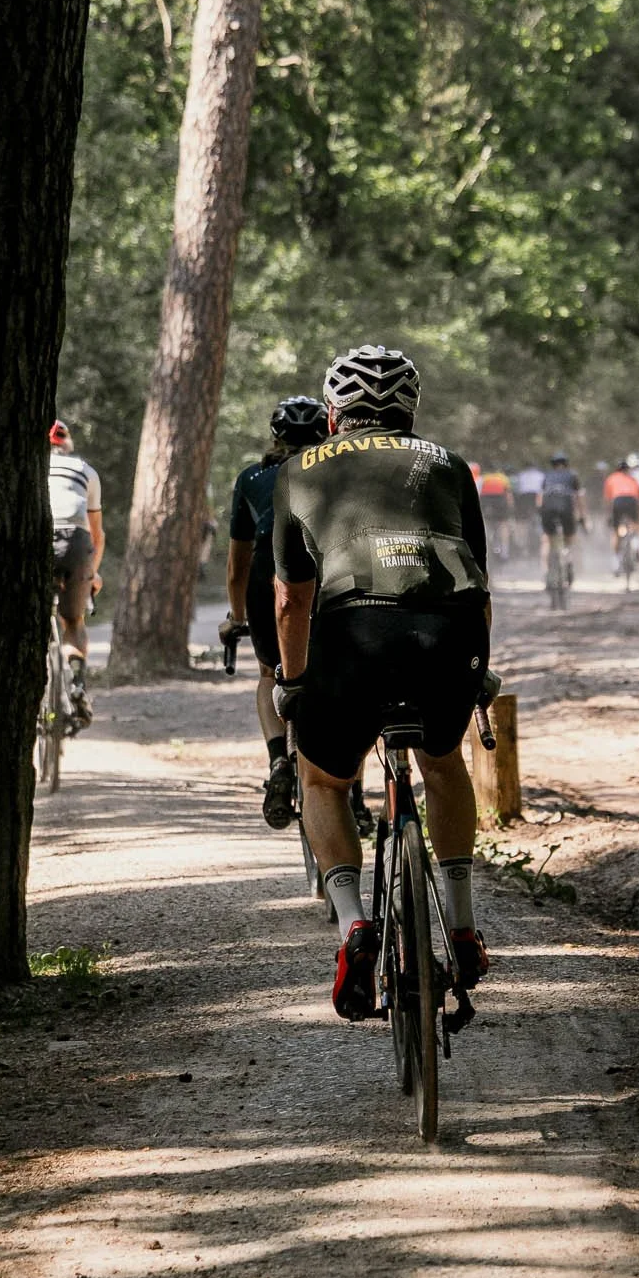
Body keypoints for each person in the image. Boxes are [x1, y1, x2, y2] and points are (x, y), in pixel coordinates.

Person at [273, 346, 496, 1018]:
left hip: (353, 635)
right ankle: (459, 922)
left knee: (323, 781)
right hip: (446, 632)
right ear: (409, 410)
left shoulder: (296, 470)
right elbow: (479, 586)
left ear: (335, 413)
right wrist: (479, 670)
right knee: (444, 762)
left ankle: (352, 925)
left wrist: (294, 680)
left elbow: (291, 599)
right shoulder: (449, 464)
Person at [222, 396, 331, 829]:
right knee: (330, 673)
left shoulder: (252, 477)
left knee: (271, 674)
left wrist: (236, 617)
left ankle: (277, 764)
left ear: (275, 435)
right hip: (326, 572)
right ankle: (354, 794)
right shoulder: (334, 470)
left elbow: (236, 564)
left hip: (268, 576)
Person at [47, 420, 105, 730]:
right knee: (74, 621)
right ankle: (76, 682)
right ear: (67, 444)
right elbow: (96, 535)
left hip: (41, 535)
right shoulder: (86, 470)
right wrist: (92, 574)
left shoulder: (29, 465)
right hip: (76, 543)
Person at [538, 452, 583, 584]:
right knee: (569, 539)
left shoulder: (546, 475)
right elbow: (579, 497)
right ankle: (568, 560)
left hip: (548, 510)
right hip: (567, 510)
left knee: (547, 540)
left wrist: (540, 512)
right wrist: (582, 516)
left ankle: (546, 571)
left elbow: (540, 497)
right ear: (566, 464)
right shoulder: (572, 475)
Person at [603, 459, 639, 565]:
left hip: (618, 501)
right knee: (634, 526)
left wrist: (608, 515)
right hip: (632, 501)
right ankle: (636, 545)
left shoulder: (611, 478)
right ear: (628, 470)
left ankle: (616, 562)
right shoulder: (633, 479)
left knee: (616, 532)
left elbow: (608, 500)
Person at [477, 464, 513, 562]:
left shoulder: (483, 478)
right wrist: (510, 508)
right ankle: (504, 552)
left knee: (487, 524)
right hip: (500, 502)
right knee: (503, 525)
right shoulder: (503, 478)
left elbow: (478, 494)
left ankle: (487, 545)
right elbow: (509, 495)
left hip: (486, 503)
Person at [511, 461, 545, 564]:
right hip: (537, 498)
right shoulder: (541, 475)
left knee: (522, 522)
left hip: (524, 499)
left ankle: (522, 543)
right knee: (541, 520)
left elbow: (517, 490)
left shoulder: (521, 475)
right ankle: (541, 535)